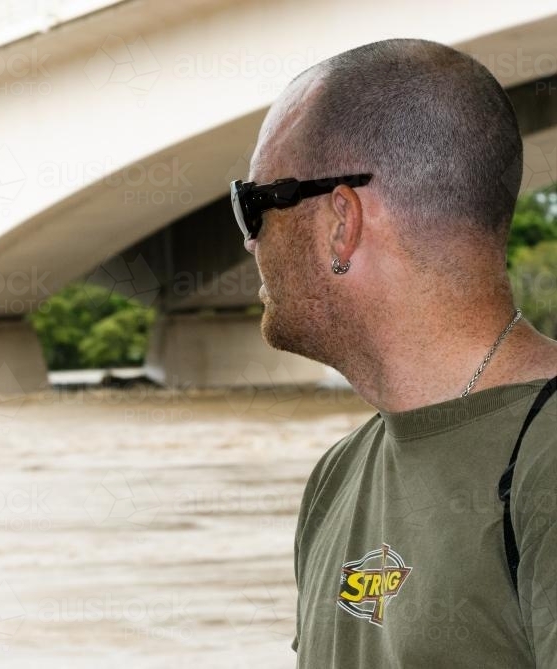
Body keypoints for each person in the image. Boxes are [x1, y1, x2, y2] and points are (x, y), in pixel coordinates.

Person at [232, 38, 557, 667]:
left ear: (340, 221)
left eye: (254, 205)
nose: (248, 244)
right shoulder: (338, 474)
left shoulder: (546, 459)